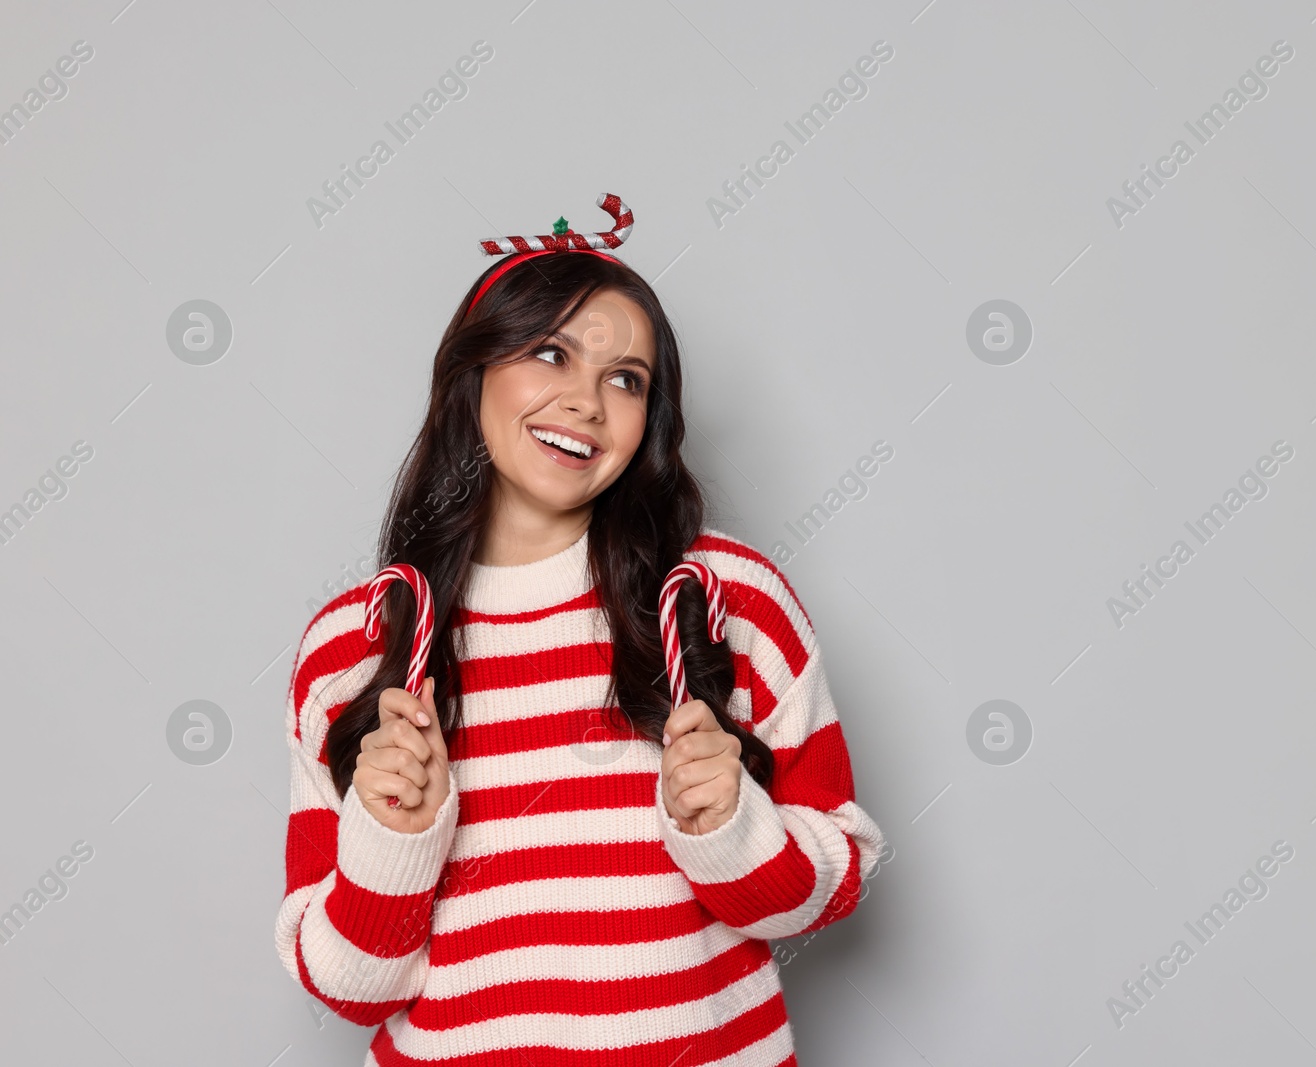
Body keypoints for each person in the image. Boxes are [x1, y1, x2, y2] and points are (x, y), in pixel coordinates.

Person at [274, 201, 885, 1066]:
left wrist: (730, 829)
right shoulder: (360, 646)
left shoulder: (718, 601)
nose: (588, 403)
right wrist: (391, 839)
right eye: (551, 353)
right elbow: (350, 989)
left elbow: (833, 884)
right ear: (472, 371)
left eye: (626, 378)